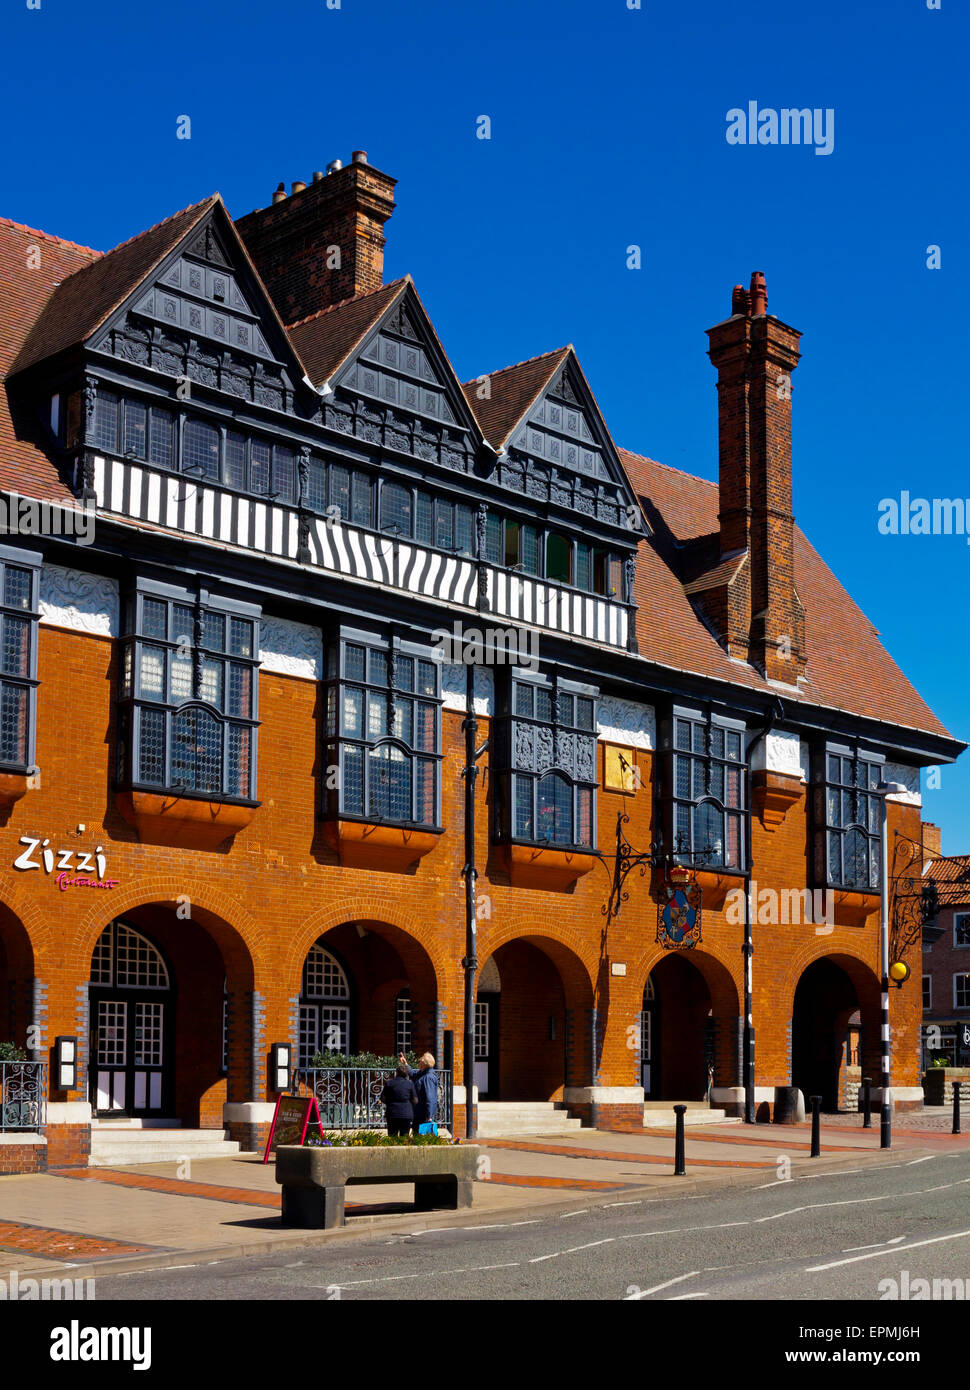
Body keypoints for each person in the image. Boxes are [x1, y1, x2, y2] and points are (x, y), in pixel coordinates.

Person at [400, 1051, 438, 1134]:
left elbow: (430, 1097)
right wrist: (406, 1064)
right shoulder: (423, 1073)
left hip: (424, 1113)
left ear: (425, 1064)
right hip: (419, 1112)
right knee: (417, 1133)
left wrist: (429, 1115)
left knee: (422, 1136)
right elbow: (413, 1075)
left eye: (420, 1062)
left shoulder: (428, 1077)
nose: (418, 1064)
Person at [381, 1064, 417, 1137]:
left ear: (396, 1072)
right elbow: (415, 1100)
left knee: (392, 1136)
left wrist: (390, 1102)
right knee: (404, 1136)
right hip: (406, 1113)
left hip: (392, 1112)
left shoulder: (389, 1083)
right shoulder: (410, 1084)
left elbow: (382, 1098)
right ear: (407, 1074)